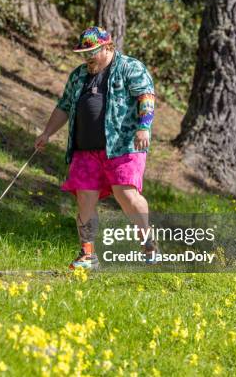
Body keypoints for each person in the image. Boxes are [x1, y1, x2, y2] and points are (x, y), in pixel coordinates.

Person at [34, 26, 157, 270]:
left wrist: (144, 126)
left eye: (93, 51)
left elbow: (146, 96)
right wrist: (47, 133)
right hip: (85, 149)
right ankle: (88, 254)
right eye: (84, 52)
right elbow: (64, 106)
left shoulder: (130, 67)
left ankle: (147, 242)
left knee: (127, 196)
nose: (88, 56)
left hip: (124, 146)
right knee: (84, 198)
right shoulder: (79, 75)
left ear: (108, 47)